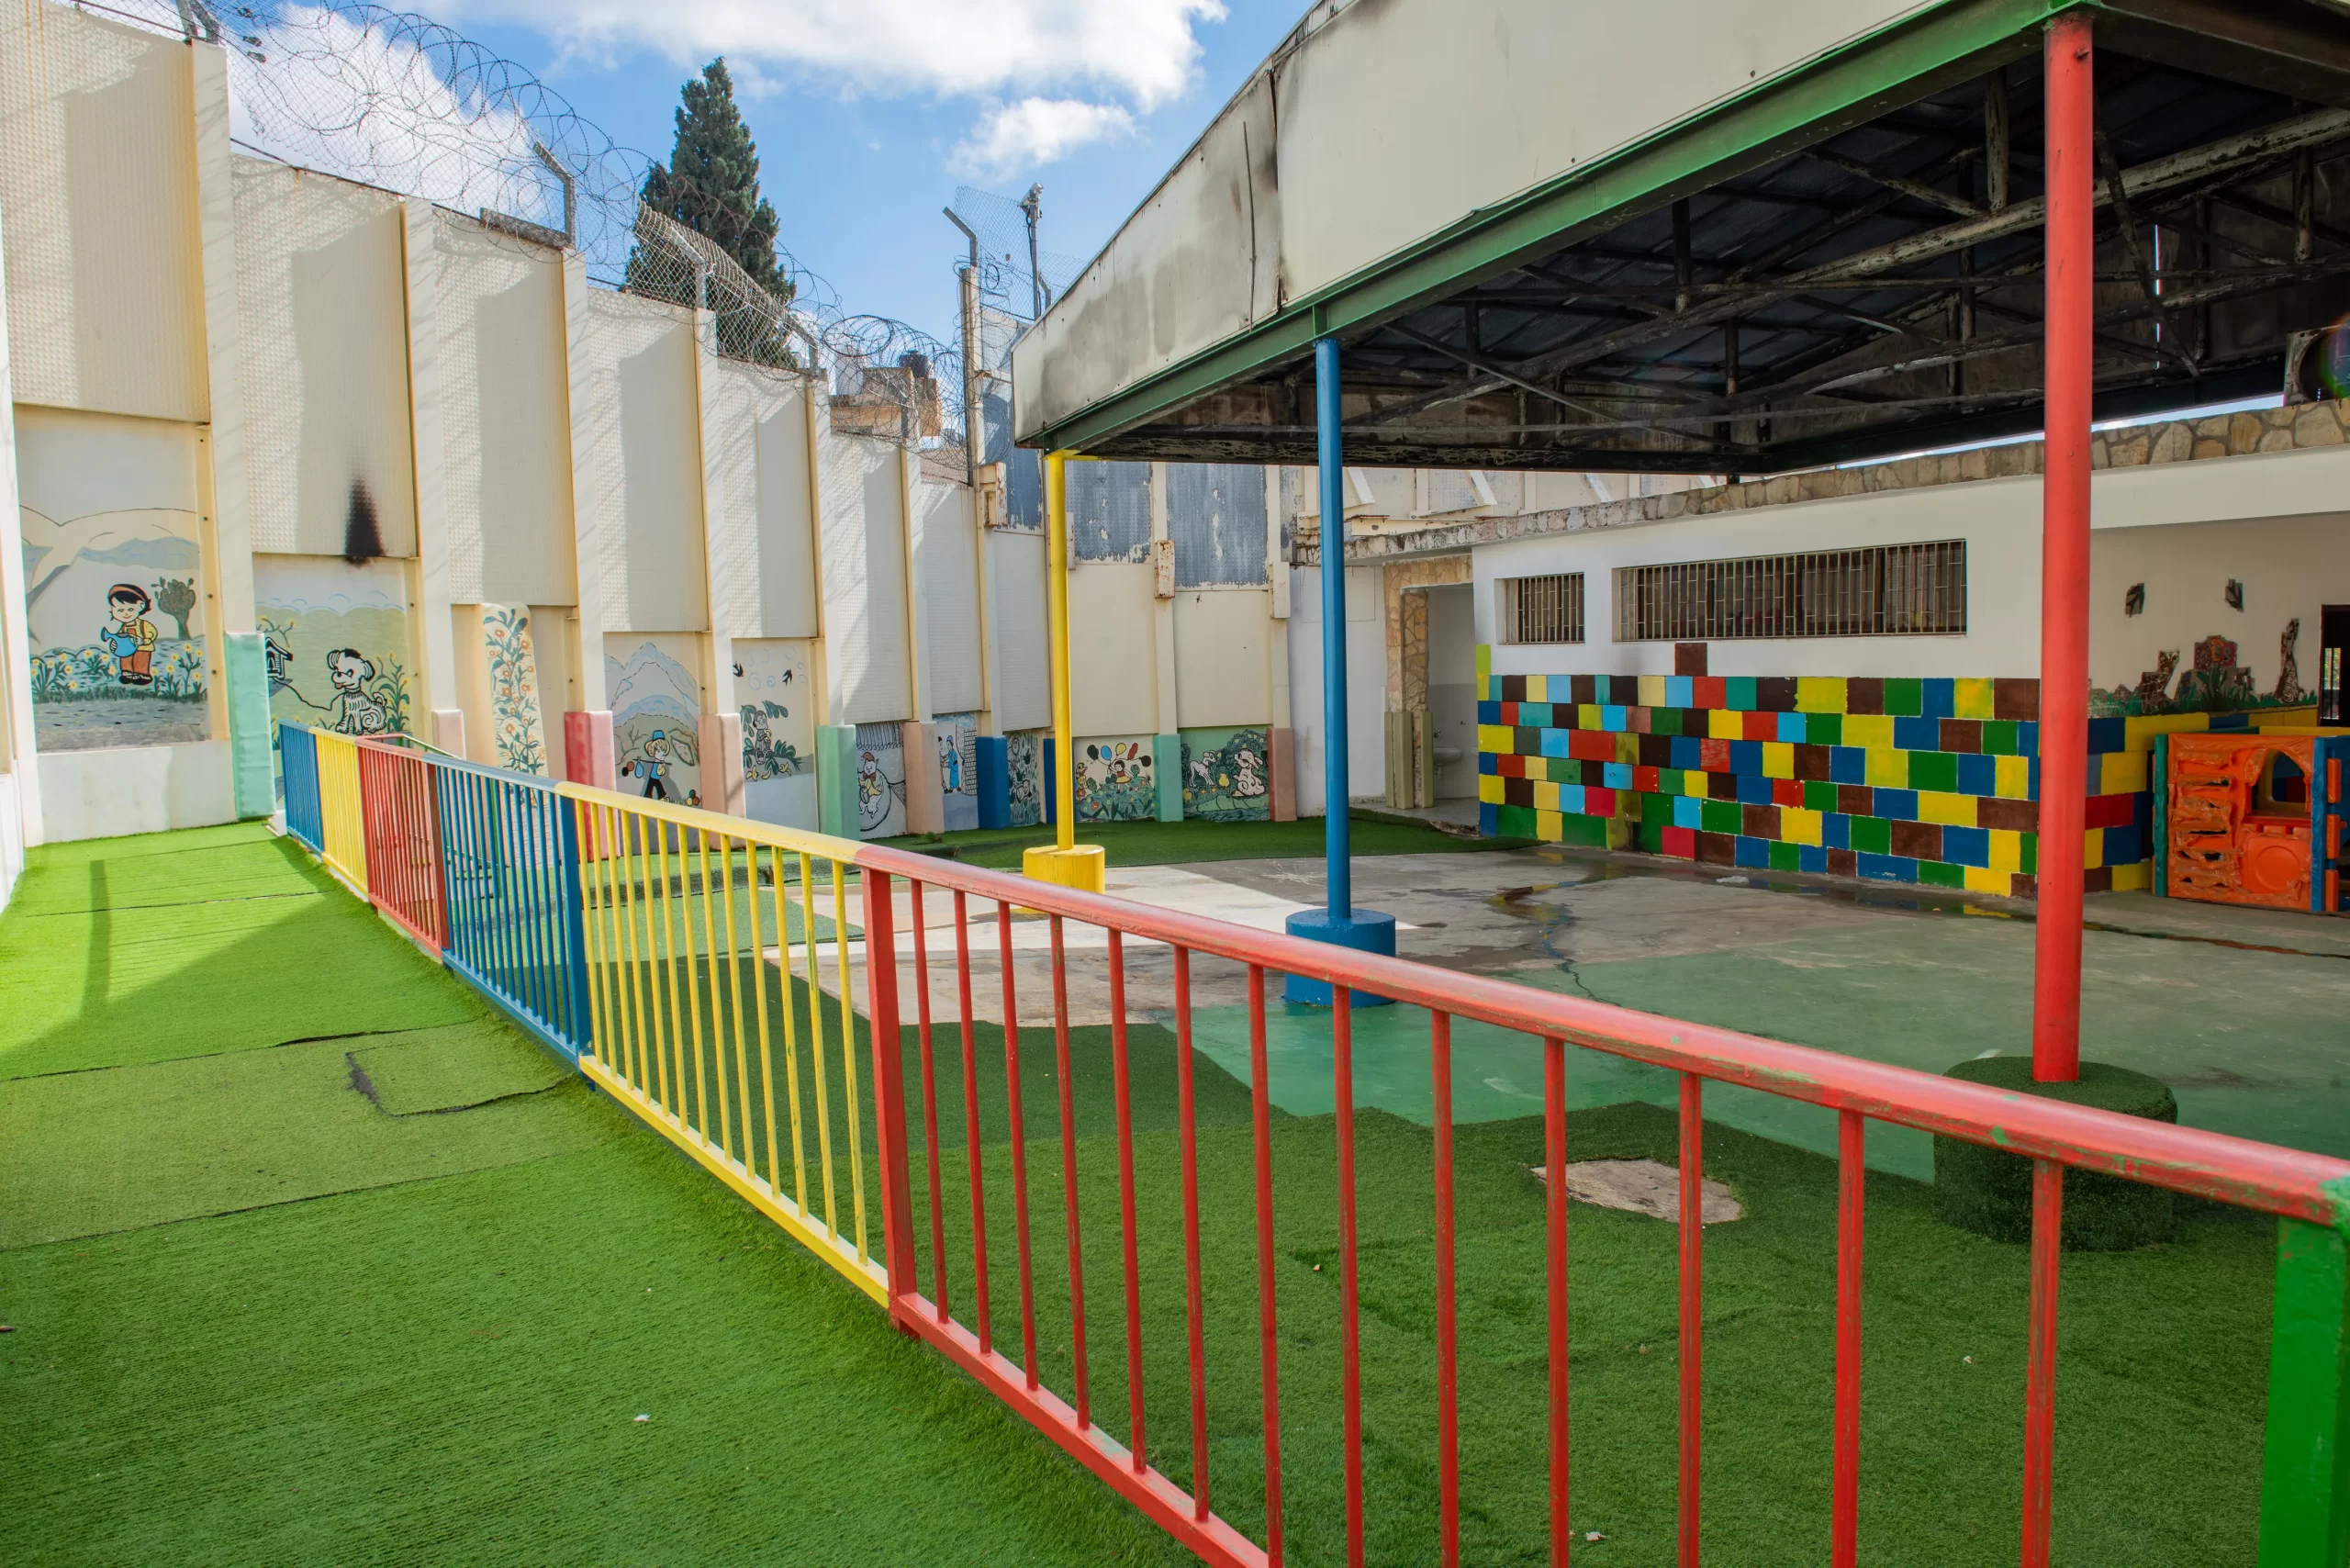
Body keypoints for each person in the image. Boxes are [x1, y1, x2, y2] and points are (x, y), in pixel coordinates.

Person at [101, 584, 159, 685]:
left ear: (141, 606)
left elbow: (152, 633)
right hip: (128, 648)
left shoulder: (143, 625)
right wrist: (115, 644)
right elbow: (118, 637)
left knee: (141, 660)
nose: (126, 614)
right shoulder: (124, 627)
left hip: (143, 648)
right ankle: (128, 673)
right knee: (126, 658)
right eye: (120, 610)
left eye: (130, 609)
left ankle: (142, 675)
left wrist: (144, 641)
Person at [324, 648, 390, 735]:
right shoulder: (347, 696)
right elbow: (348, 712)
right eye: (337, 670)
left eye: (349, 673)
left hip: (370, 715)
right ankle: (345, 725)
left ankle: (358, 727)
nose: (339, 674)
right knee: (349, 710)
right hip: (353, 698)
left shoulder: (358, 697)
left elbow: (355, 712)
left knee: (355, 710)